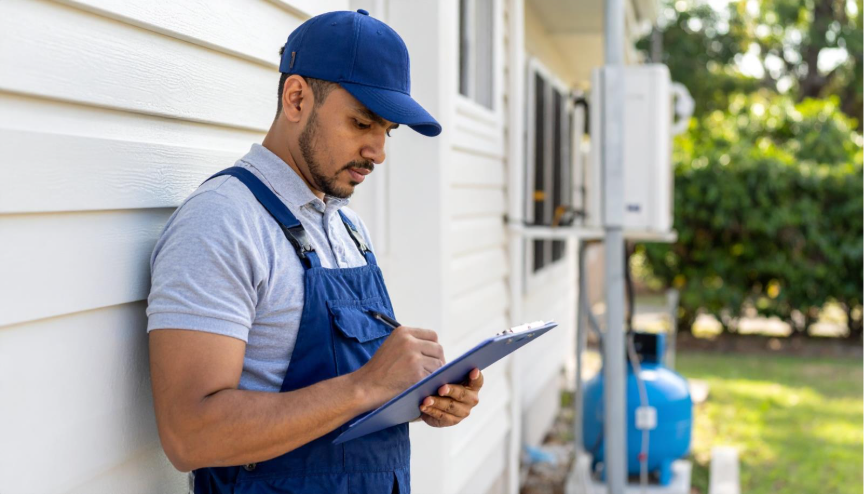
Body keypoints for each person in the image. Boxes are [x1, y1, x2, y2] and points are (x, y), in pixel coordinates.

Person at [146, 9, 484, 494]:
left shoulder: (348, 227)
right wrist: (366, 385)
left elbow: (352, 406)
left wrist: (420, 395)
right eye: (362, 122)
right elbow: (189, 435)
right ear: (297, 97)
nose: (378, 151)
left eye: (386, 131)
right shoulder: (223, 221)